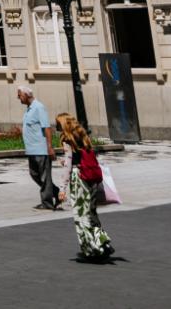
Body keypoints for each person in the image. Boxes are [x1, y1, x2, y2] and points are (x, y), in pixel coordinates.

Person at [56, 112, 114, 263]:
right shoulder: (83, 136)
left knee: (82, 216)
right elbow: (82, 158)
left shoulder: (67, 139)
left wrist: (62, 188)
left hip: (79, 179)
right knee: (92, 213)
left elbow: (69, 165)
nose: (56, 128)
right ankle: (103, 242)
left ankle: (93, 250)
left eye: (58, 125)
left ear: (64, 125)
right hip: (92, 178)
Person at [18, 87, 60, 210]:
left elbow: (46, 128)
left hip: (41, 149)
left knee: (44, 177)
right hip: (31, 149)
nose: (18, 98)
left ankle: (47, 203)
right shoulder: (29, 109)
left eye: (19, 95)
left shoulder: (39, 107)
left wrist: (50, 147)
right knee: (34, 174)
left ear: (26, 95)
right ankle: (55, 191)